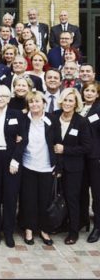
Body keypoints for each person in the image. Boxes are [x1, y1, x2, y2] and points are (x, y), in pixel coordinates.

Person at [0, 85, 26, 248]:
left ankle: (9, 232)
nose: (0, 98)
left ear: (9, 98)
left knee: (10, 197)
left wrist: (15, 160)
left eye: (4, 95)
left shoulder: (17, 115)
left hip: (11, 158)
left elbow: (23, 139)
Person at [53, 88, 91, 244]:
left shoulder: (81, 121)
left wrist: (65, 149)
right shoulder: (54, 116)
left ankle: (73, 232)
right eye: (66, 100)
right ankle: (61, 224)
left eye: (71, 100)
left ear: (76, 103)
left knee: (72, 199)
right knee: (58, 197)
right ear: (61, 101)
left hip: (74, 168)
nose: (68, 103)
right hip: (56, 166)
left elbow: (86, 147)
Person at [20, 91, 58, 246]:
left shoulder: (51, 120)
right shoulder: (23, 120)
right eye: (31, 102)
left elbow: (57, 141)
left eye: (37, 101)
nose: (34, 104)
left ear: (44, 103)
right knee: (28, 199)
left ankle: (44, 229)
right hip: (28, 164)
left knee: (44, 200)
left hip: (46, 166)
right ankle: (29, 229)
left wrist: (58, 165)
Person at [79, 82, 100, 243]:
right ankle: (82, 220)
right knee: (81, 190)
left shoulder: (98, 109)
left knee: (97, 192)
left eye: (93, 91)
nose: (89, 93)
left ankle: (97, 226)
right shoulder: (79, 108)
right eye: (87, 90)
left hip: (95, 157)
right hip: (79, 157)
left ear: (97, 94)